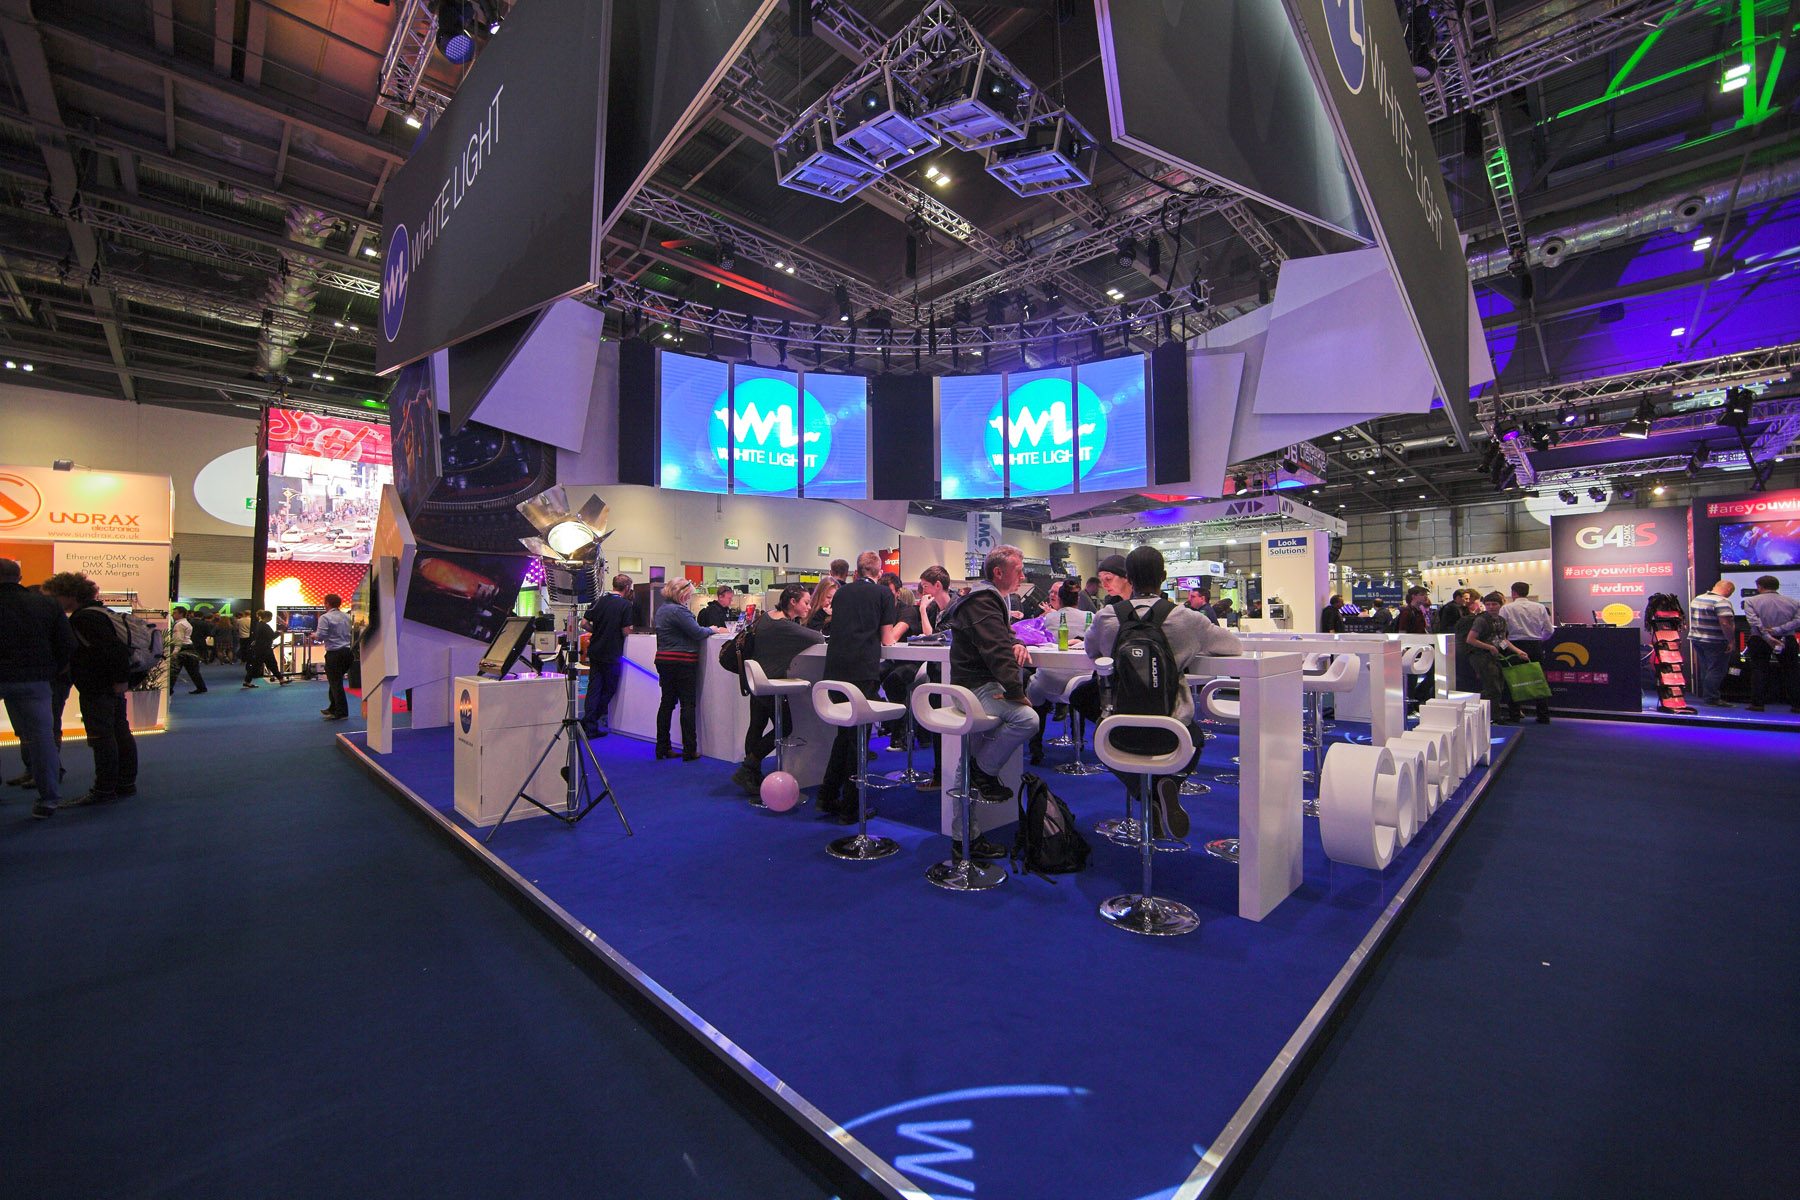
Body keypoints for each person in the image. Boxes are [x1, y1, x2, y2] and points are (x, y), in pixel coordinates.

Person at [1084, 545, 1243, 838]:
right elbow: (1234, 647)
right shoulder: (1187, 619)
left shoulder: (1106, 617)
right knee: (1195, 739)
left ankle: (1145, 795)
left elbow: (1091, 651)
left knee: (1094, 722)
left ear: (1129, 578)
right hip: (1172, 731)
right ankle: (1168, 784)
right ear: (1164, 577)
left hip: (1118, 729)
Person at [943, 545, 1039, 856]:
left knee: (967, 760)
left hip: (975, 686)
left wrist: (1018, 640)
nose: (1022, 576)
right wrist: (1016, 692)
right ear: (999, 572)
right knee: (1027, 719)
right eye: (1018, 570)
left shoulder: (987, 598)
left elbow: (1001, 636)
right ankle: (983, 771)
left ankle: (964, 838)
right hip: (975, 689)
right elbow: (996, 650)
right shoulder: (983, 600)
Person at [816, 552, 903, 822]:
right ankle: (851, 807)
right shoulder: (883, 594)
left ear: (856, 572)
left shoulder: (841, 593)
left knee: (845, 735)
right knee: (857, 740)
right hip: (861, 671)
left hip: (834, 670)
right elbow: (887, 639)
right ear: (879, 573)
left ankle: (827, 796)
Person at [41, 571, 138, 806]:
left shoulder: (83, 618)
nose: (51, 602)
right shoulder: (99, 613)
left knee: (102, 737)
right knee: (119, 732)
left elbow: (112, 650)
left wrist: (119, 679)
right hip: (109, 684)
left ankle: (104, 789)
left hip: (98, 685)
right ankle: (124, 783)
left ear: (69, 595)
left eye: (54, 596)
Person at [732, 583, 825, 796]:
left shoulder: (767, 617)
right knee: (785, 726)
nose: (808, 607)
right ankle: (748, 767)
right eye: (806, 602)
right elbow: (817, 638)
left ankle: (752, 773)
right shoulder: (783, 625)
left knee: (757, 725)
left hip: (756, 680)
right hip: (771, 683)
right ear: (793, 602)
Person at [1, 558, 74, 817]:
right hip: (35, 679)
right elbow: (66, 643)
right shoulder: (46, 603)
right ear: (19, 578)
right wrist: (53, 670)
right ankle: (49, 799)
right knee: (42, 739)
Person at [1027, 582, 1092, 763]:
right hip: (1082, 679)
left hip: (1049, 681)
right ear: (1078, 599)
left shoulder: (1049, 618)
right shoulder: (1091, 617)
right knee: (1079, 695)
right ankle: (1078, 741)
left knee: (1034, 688)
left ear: (1059, 599)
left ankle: (1035, 747)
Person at [653, 578, 711, 760]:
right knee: (687, 705)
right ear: (682, 594)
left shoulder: (662, 610)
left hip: (664, 660)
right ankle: (689, 749)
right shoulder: (679, 611)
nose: (689, 598)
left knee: (667, 704)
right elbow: (697, 632)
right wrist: (713, 630)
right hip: (683, 661)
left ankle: (663, 746)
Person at [581, 573, 634, 736]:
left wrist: (597, 631)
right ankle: (591, 721)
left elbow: (584, 623)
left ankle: (589, 724)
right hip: (612, 652)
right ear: (627, 588)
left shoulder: (598, 601)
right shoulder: (625, 605)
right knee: (609, 689)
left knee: (594, 688)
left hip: (595, 650)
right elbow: (626, 631)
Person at [1465, 590, 1526, 725]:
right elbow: (1470, 639)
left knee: (1497, 687)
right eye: (1488, 604)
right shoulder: (1481, 620)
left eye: (1494, 604)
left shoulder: (1501, 621)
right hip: (1480, 656)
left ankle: (1487, 715)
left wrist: (1518, 651)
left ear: (1500, 605)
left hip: (1493, 657)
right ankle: (1493, 718)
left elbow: (1503, 639)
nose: (1491, 607)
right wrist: (1490, 647)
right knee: (1492, 688)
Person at [1742, 575, 1800, 713]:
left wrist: (1768, 636)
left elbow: (1754, 621)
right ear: (1777, 586)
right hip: (1787, 638)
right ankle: (1797, 704)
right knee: (1792, 671)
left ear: (1759, 587)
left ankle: (1757, 704)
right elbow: (1797, 621)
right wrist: (1778, 630)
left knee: (1759, 670)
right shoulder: (1794, 602)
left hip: (1760, 638)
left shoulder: (1751, 601)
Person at [1499, 582, 1553, 724]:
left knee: (1513, 680)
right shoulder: (1540, 607)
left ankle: (1515, 715)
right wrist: (1540, 640)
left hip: (1514, 645)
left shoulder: (1506, 608)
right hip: (1535, 645)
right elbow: (1549, 630)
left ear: (1513, 593)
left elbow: (1501, 631)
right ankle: (1543, 715)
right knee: (1538, 679)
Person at [1687, 580, 1739, 707]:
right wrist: (1731, 641)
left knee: (1706, 669)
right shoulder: (1721, 602)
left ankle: (1707, 696)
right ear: (1728, 590)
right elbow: (1725, 623)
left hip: (1697, 639)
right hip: (1715, 640)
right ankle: (1712, 698)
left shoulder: (1698, 599)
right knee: (1717, 670)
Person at [1396, 586, 1436, 707]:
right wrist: (1404, 649)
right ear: (1414, 596)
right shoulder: (1407, 612)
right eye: (1422, 594)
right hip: (1411, 650)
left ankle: (1416, 700)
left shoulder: (1419, 611)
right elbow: (1402, 631)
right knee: (1411, 680)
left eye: (1425, 595)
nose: (1425, 597)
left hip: (1421, 648)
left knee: (1428, 675)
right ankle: (1410, 706)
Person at [317, 593, 355, 721]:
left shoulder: (325, 617)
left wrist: (314, 635)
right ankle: (333, 708)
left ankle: (341, 712)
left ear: (327, 603)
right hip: (348, 653)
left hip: (334, 654)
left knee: (335, 683)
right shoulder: (347, 616)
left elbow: (320, 636)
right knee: (335, 681)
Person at [166, 606, 208, 694]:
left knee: (174, 670)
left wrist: (175, 652)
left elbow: (178, 639)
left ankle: (169, 689)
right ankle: (201, 687)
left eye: (175, 613)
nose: (173, 615)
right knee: (193, 670)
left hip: (183, 648)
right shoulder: (186, 623)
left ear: (181, 614)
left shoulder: (179, 624)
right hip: (189, 647)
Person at [243, 610, 285, 687]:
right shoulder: (265, 626)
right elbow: (272, 636)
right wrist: (279, 633)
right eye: (270, 617)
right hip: (265, 649)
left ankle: (247, 681)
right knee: (272, 664)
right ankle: (281, 679)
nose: (271, 619)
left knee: (257, 665)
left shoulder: (259, 624)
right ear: (266, 617)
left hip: (260, 648)